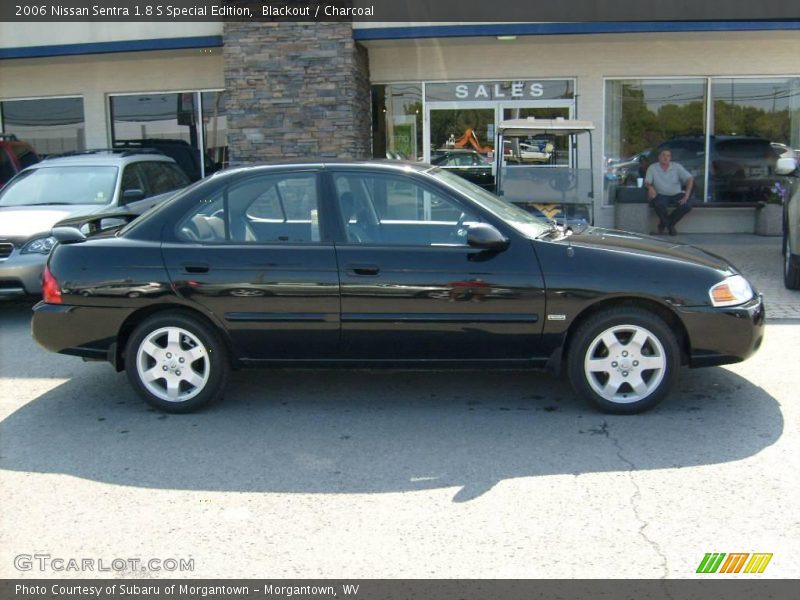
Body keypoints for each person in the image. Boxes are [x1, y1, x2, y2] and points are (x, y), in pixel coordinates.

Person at [644, 149, 694, 235]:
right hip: (661, 194)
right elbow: (647, 182)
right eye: (663, 155)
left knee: (687, 206)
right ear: (659, 157)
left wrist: (687, 195)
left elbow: (690, 178)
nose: (666, 157)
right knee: (659, 205)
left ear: (670, 158)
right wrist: (650, 187)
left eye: (668, 156)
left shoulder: (676, 167)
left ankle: (664, 224)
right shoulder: (652, 167)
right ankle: (670, 226)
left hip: (676, 194)